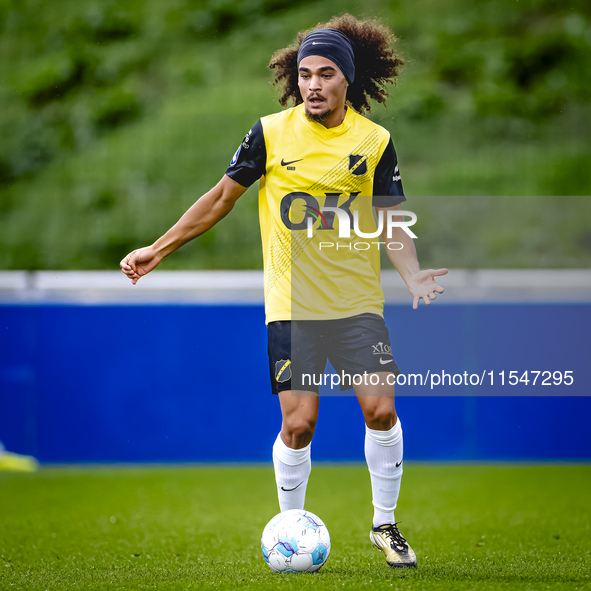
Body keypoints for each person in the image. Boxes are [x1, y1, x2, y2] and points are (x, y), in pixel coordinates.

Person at [120, 14, 447, 568]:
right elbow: (220, 198)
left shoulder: (374, 141)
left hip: (357, 305)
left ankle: (385, 524)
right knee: (298, 426)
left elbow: (391, 220)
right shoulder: (269, 133)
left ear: (347, 80)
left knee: (381, 411)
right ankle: (289, 524)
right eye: (304, 73)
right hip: (293, 307)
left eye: (325, 73)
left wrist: (412, 273)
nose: (313, 84)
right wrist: (159, 247)